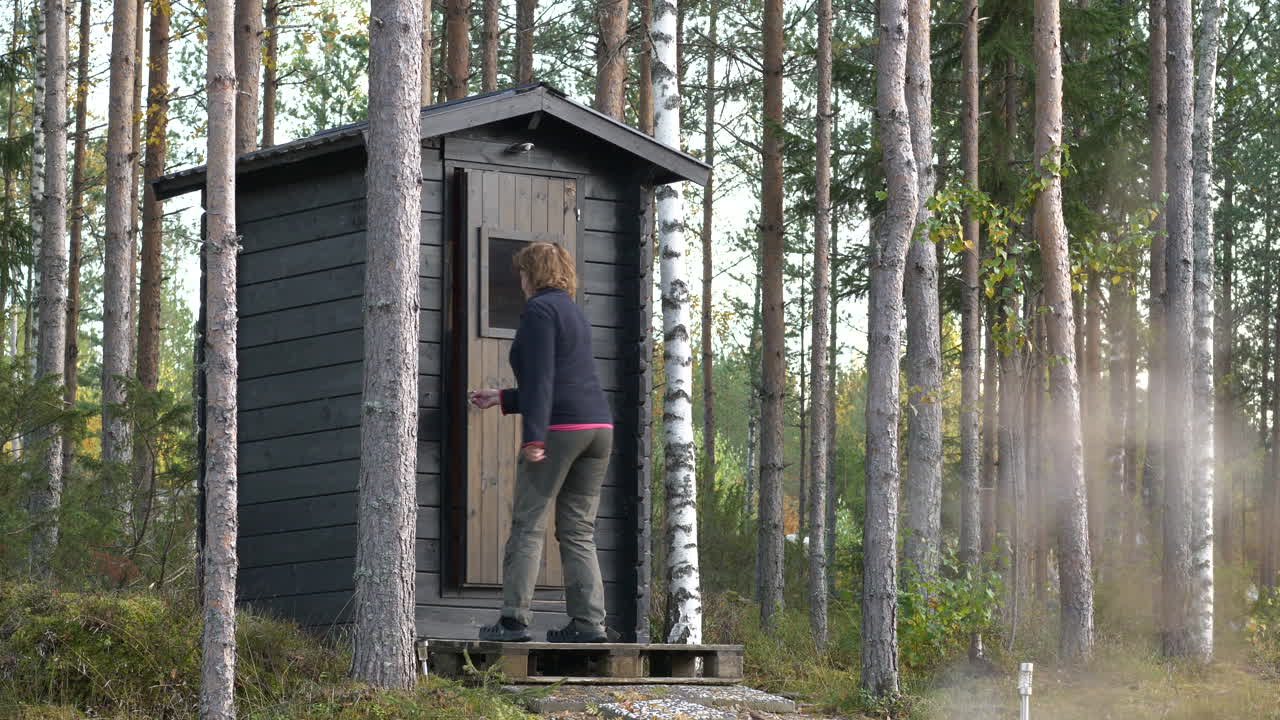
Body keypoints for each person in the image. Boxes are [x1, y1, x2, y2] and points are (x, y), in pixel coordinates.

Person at [469, 242, 613, 643]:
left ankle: (513, 621)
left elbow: (543, 381)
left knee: (528, 524)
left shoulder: (538, 311)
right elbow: (561, 379)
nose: (519, 280)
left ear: (532, 274)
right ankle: (588, 624)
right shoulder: (573, 314)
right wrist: (502, 398)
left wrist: (533, 437)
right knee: (579, 530)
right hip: (598, 429)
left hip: (560, 431)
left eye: (521, 273)